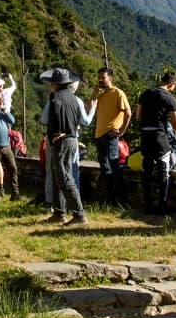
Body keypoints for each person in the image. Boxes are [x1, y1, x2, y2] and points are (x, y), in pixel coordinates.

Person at [37, 77, 95, 207]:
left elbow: (44, 119)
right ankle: (74, 203)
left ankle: (51, 202)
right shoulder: (77, 100)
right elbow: (86, 121)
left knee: (51, 171)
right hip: (71, 137)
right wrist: (92, 109)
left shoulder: (52, 98)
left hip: (52, 138)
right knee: (72, 171)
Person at [43, 67, 89, 227]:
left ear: (55, 83)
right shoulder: (74, 98)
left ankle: (79, 214)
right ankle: (59, 212)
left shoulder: (55, 97)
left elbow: (53, 115)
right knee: (59, 177)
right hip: (72, 140)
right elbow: (80, 120)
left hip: (62, 141)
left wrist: (56, 133)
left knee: (64, 178)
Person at [136, 71, 176, 215]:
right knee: (163, 171)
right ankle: (162, 206)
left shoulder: (145, 94)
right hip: (160, 137)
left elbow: (138, 116)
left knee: (147, 170)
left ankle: (147, 206)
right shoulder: (170, 99)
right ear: (172, 84)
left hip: (145, 135)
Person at [92, 67, 131, 207]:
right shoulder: (101, 95)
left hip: (110, 135)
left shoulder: (118, 93)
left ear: (110, 78)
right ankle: (110, 200)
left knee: (114, 165)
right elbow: (88, 109)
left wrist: (120, 131)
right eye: (99, 77)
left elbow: (128, 113)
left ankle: (122, 200)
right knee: (105, 168)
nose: (100, 80)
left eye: (103, 77)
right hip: (99, 135)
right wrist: (94, 93)